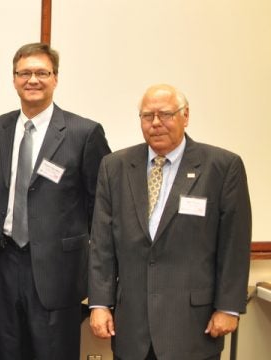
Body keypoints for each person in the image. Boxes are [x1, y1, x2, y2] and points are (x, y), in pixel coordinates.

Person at [89, 84, 252, 360]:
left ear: (185, 116)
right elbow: (102, 245)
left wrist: (228, 307)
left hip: (193, 326)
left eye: (165, 114)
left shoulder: (222, 167)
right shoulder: (114, 166)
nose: (155, 123)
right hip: (131, 327)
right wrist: (100, 304)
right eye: (147, 116)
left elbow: (234, 244)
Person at [0, 42, 111, 359]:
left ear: (55, 78)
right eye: (24, 73)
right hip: (6, 263)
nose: (33, 80)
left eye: (42, 72)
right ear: (13, 79)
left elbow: (102, 207)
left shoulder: (84, 133)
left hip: (59, 270)